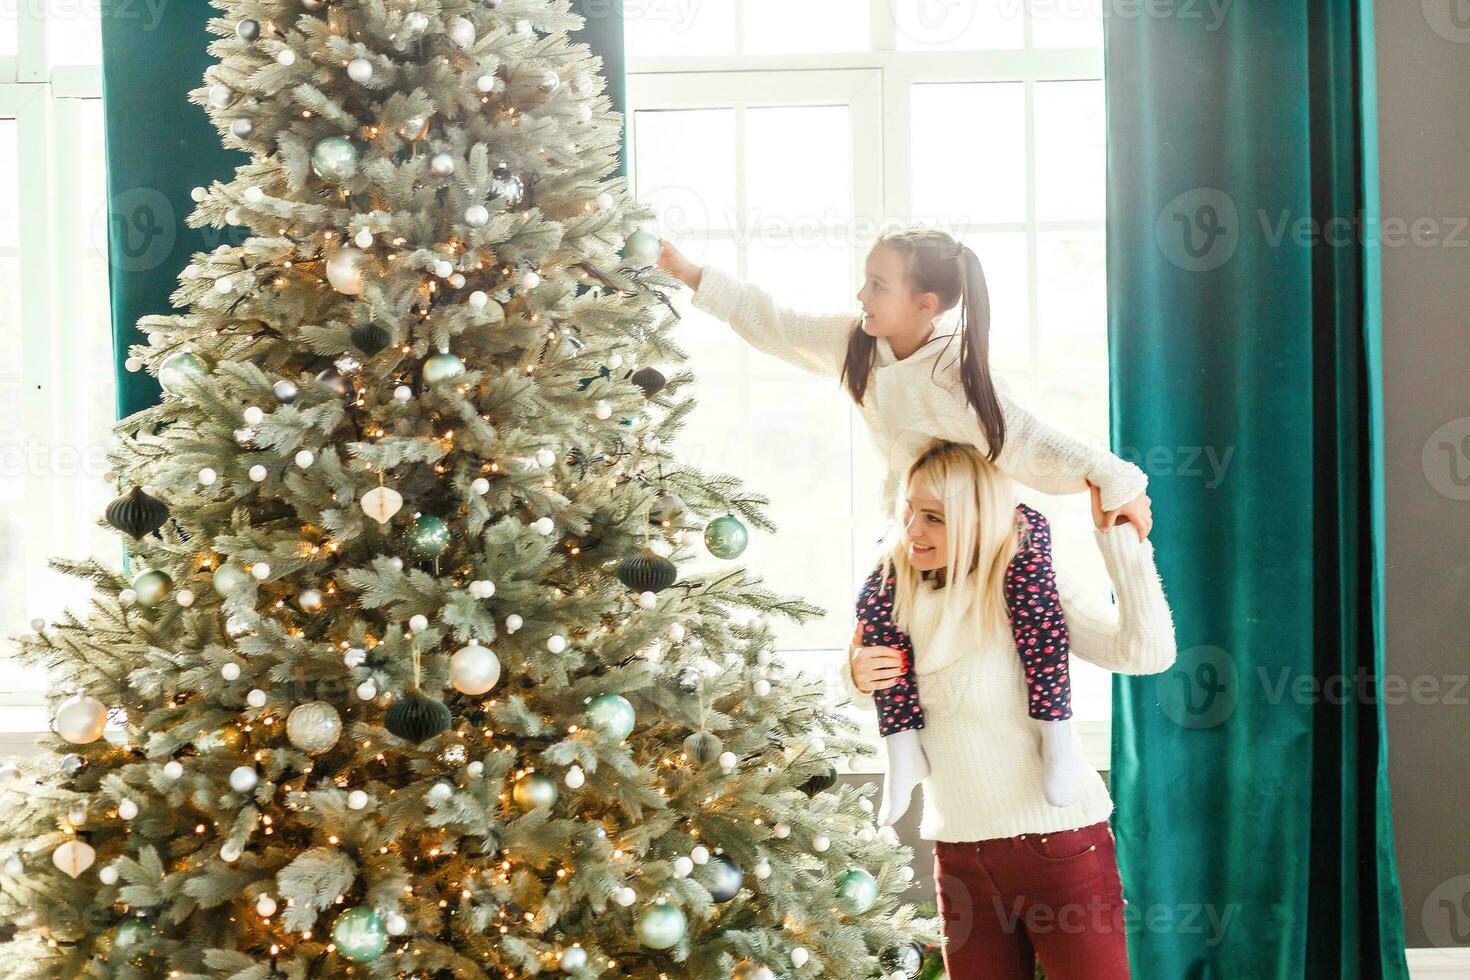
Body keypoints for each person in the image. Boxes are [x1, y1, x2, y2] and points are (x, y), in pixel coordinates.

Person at [846, 440, 1176, 979]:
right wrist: (856, 673)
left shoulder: (1034, 584)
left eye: (933, 518)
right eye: (909, 511)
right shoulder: (897, 587)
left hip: (1059, 848)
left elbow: (1146, 654)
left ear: (977, 518)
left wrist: (1122, 543)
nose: (912, 532)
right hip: (959, 855)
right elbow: (878, 692)